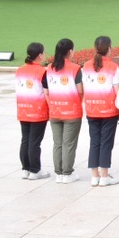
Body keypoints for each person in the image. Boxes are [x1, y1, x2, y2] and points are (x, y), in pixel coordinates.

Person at [81, 36, 119, 187]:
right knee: (106, 143)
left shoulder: (86, 66)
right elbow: (117, 91)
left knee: (94, 142)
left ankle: (95, 176)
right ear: (109, 49)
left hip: (92, 109)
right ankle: (104, 176)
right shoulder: (113, 67)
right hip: (108, 110)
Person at [43, 38, 83, 184]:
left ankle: (59, 173)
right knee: (69, 143)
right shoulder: (75, 68)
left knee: (58, 143)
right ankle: (67, 173)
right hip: (71, 112)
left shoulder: (49, 68)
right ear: (70, 51)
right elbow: (80, 91)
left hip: (55, 111)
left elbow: (46, 91)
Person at [15, 42, 50, 180]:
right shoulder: (42, 71)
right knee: (34, 141)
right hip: (37, 110)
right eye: (44, 52)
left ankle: (26, 169)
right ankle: (35, 170)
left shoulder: (20, 70)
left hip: (23, 109)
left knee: (25, 139)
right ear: (40, 55)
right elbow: (46, 92)